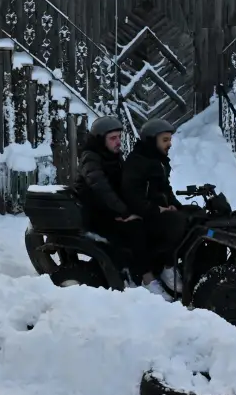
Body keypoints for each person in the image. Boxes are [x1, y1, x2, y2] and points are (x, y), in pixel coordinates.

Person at [71, 116, 147, 275]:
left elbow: (124, 185)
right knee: (134, 231)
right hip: (93, 215)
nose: (118, 142)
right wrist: (124, 212)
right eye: (113, 138)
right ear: (100, 140)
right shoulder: (90, 158)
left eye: (119, 137)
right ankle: (137, 277)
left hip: (109, 211)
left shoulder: (114, 156)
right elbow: (101, 189)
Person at [121, 118, 189, 295]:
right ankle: (166, 268)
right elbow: (131, 195)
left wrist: (175, 205)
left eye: (170, 140)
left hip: (158, 211)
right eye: (165, 140)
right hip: (143, 214)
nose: (169, 144)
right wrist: (157, 209)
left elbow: (165, 189)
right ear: (152, 140)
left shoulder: (159, 160)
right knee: (175, 221)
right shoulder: (137, 162)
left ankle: (184, 266)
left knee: (193, 216)